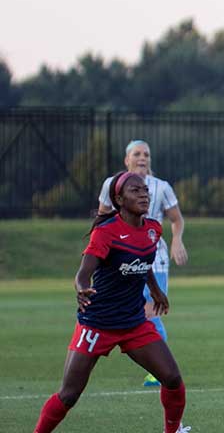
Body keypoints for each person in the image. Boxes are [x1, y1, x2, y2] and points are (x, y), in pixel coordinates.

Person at [34, 172, 189, 433]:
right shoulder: (106, 233)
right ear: (118, 199)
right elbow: (83, 275)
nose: (143, 194)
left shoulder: (153, 229)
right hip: (97, 324)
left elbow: (143, 261)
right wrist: (82, 289)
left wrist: (154, 290)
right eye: (135, 191)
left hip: (133, 322)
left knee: (173, 379)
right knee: (69, 395)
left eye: (145, 190)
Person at [97, 140, 186, 386]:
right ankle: (157, 365)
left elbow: (177, 220)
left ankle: (159, 369)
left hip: (153, 259)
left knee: (150, 311)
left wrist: (177, 240)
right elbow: (102, 218)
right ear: (127, 160)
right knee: (130, 311)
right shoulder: (111, 185)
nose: (142, 158)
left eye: (146, 154)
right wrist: (102, 251)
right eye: (137, 154)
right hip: (122, 257)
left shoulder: (162, 187)